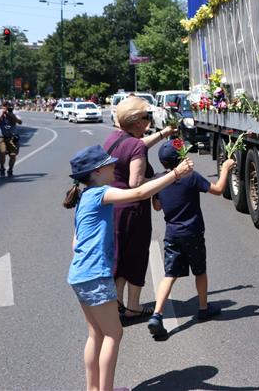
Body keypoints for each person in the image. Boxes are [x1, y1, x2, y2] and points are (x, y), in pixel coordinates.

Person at [65, 144, 193, 391]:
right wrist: (175, 174)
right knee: (114, 334)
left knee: (96, 335)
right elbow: (139, 193)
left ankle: (93, 389)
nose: (115, 166)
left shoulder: (83, 198)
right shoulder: (99, 193)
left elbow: (76, 242)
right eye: (110, 164)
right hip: (95, 276)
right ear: (97, 172)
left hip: (79, 275)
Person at [146, 142, 235, 339]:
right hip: (193, 232)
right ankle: (203, 308)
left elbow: (157, 208)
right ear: (181, 158)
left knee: (169, 274)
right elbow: (219, 189)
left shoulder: (160, 180)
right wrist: (226, 168)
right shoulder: (191, 177)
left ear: (162, 162)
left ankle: (157, 314)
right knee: (200, 271)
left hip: (172, 234)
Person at [102, 97, 174, 319]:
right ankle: (133, 306)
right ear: (136, 122)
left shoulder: (114, 138)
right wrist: (165, 177)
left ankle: (117, 304)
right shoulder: (136, 146)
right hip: (133, 211)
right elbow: (136, 183)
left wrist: (164, 133)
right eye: (146, 117)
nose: (149, 121)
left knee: (118, 257)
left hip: (114, 208)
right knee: (135, 257)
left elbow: (138, 145)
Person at [0, 100, 22, 177]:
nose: (5, 108)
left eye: (7, 106)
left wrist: (11, 115)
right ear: (1, 107)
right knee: (2, 152)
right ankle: (2, 168)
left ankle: (10, 169)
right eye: (4, 106)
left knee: (13, 155)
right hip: (2, 137)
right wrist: (2, 114)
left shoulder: (15, 112)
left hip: (12, 137)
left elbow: (20, 122)